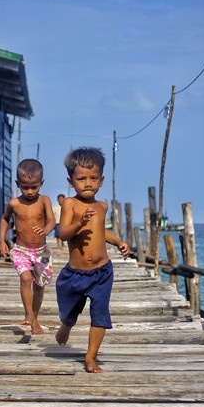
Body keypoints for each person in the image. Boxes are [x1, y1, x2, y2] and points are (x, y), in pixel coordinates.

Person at [55, 147, 129, 373]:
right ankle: (67, 324)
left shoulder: (101, 207)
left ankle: (90, 357)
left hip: (102, 272)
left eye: (93, 178)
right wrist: (79, 223)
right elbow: (63, 233)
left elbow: (99, 232)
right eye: (81, 178)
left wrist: (117, 242)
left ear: (101, 180)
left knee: (100, 314)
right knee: (69, 310)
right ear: (71, 181)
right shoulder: (70, 204)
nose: (87, 183)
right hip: (75, 274)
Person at [0, 159, 56, 335]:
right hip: (21, 250)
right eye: (25, 187)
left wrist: (45, 229)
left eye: (34, 187)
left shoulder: (44, 201)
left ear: (41, 183)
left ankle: (35, 318)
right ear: (17, 184)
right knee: (25, 278)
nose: (30, 191)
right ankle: (28, 313)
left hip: (42, 252)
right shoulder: (14, 204)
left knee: (39, 286)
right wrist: (2, 240)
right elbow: (4, 219)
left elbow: (52, 220)